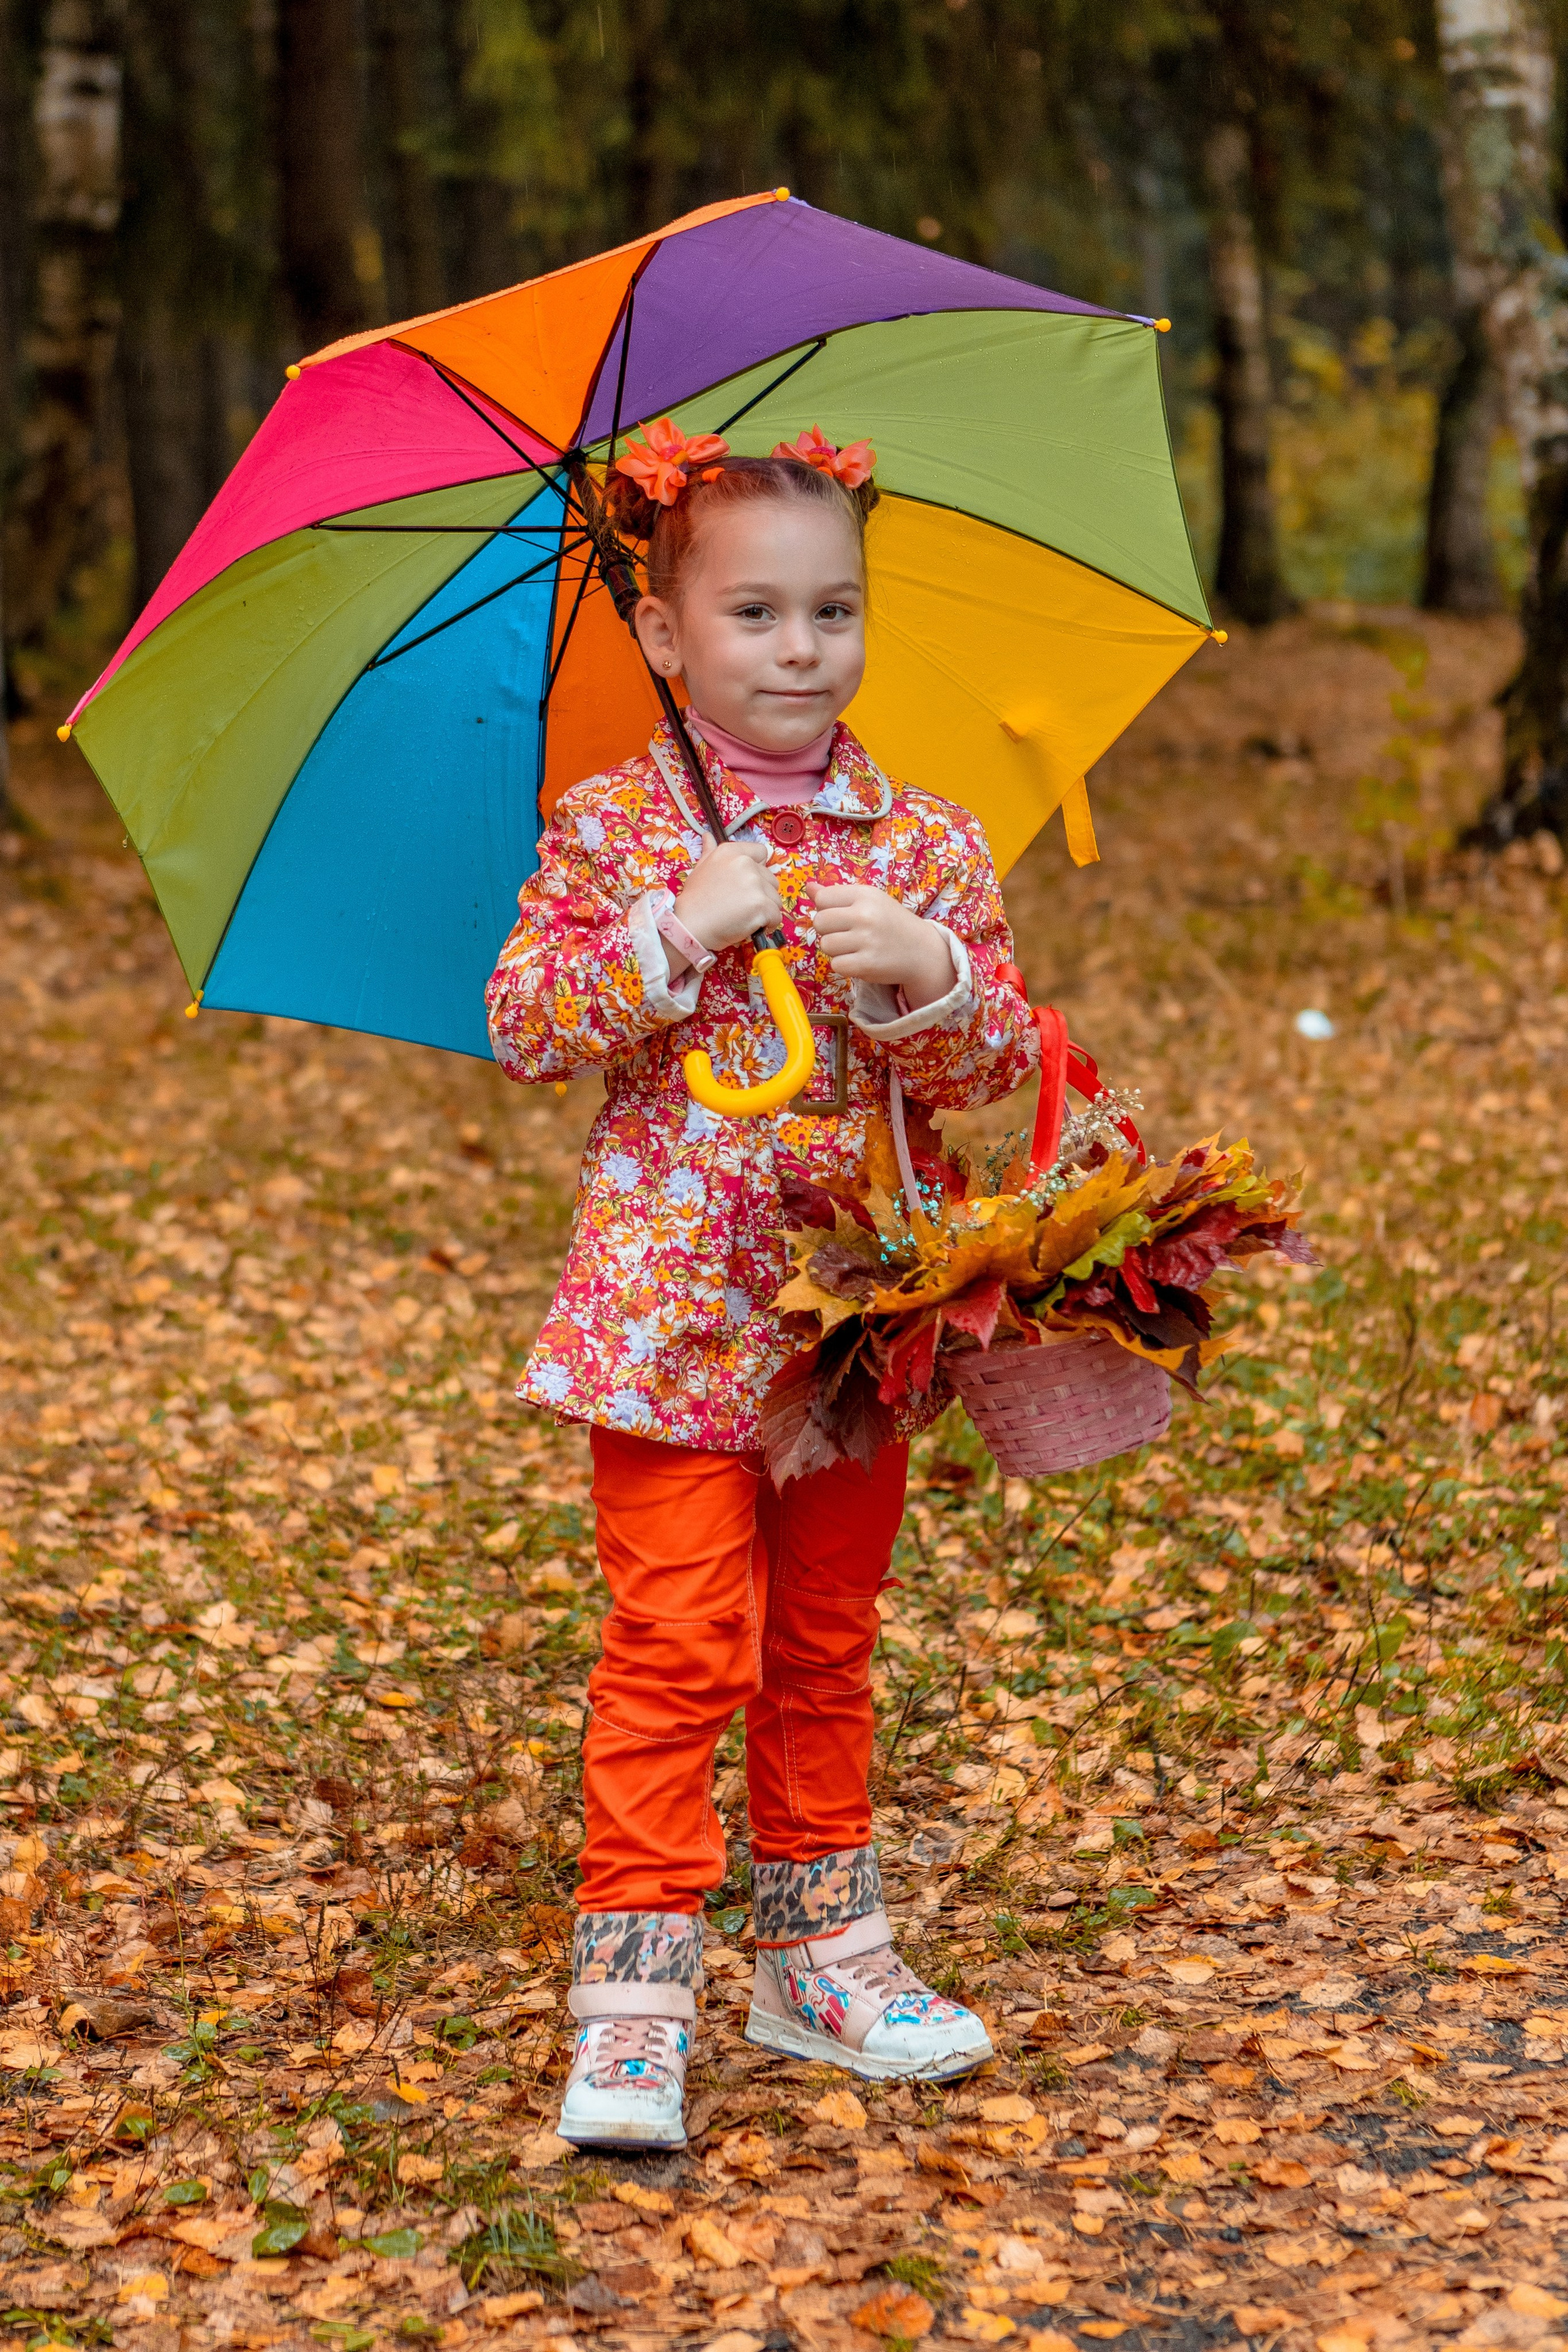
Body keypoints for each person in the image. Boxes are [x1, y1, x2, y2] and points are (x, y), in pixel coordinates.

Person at [485, 418, 1039, 2150]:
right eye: (755, 616)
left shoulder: (922, 842)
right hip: (669, 1313)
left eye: (832, 612)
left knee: (823, 1635)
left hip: (856, 1315)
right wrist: (675, 929)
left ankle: (822, 1957)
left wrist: (930, 976)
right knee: (675, 1639)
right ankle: (635, 2000)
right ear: (665, 635)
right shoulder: (613, 830)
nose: (800, 650)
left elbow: (995, 1070)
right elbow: (525, 1025)